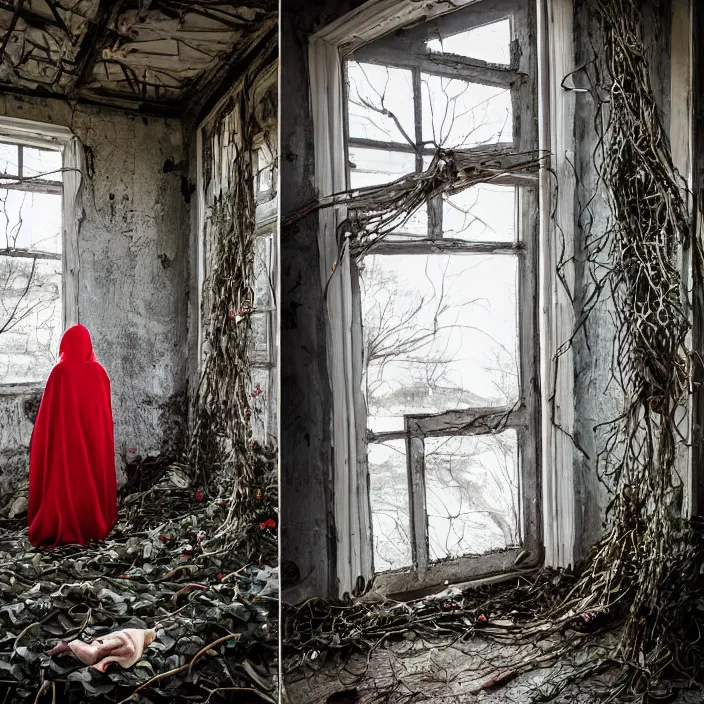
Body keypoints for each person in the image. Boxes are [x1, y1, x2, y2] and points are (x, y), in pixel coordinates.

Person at [27, 324, 117, 547]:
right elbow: (103, 418)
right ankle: (92, 522)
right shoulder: (99, 373)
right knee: (92, 476)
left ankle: (61, 522)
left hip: (65, 447)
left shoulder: (60, 372)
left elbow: (48, 419)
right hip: (93, 444)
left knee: (65, 480)